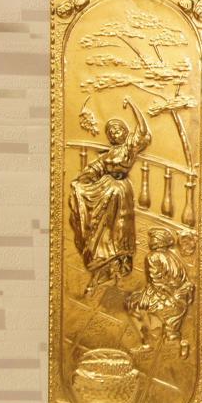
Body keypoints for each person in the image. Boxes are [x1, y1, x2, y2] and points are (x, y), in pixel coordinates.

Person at [69, 97, 151, 296]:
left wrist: (133, 104)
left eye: (118, 130)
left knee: (119, 227)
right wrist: (81, 181)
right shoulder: (108, 154)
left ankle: (118, 261)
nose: (114, 133)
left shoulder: (129, 148)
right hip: (105, 189)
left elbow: (143, 131)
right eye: (111, 131)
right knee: (102, 226)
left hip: (120, 192)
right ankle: (103, 260)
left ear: (125, 132)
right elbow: (94, 169)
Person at [126, 228, 194, 355]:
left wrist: (153, 297)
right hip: (181, 299)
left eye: (152, 238)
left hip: (167, 298)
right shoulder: (172, 256)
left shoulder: (153, 256)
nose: (149, 241)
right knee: (170, 331)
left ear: (157, 241)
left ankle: (147, 343)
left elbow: (156, 282)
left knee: (133, 305)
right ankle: (179, 345)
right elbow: (183, 281)